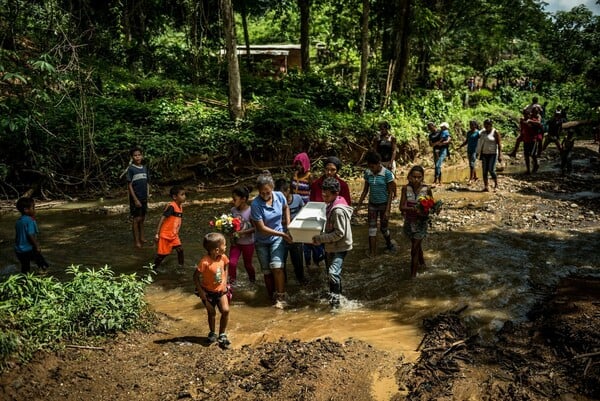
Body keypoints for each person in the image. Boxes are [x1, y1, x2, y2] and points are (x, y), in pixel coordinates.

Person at [251, 172, 293, 308]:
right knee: (267, 271)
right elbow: (261, 228)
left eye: (267, 192)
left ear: (272, 188)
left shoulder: (280, 196)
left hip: (277, 238)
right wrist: (284, 235)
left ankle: (280, 298)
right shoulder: (255, 204)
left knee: (277, 266)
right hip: (262, 240)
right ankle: (270, 296)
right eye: (262, 193)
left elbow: (286, 207)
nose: (264, 195)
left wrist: (288, 225)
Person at [312, 178, 353, 308]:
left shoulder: (338, 211)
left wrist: (320, 238)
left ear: (336, 193)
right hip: (331, 245)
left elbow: (339, 233)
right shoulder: (332, 203)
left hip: (340, 246)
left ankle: (335, 305)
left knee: (333, 273)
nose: (324, 197)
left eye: (327, 195)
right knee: (331, 274)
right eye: (323, 194)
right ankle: (336, 297)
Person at [193, 232, 231, 348]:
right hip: (207, 293)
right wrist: (201, 293)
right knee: (212, 312)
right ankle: (212, 333)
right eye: (224, 245)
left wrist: (225, 281)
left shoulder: (223, 257)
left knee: (225, 311)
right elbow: (195, 277)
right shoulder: (205, 262)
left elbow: (226, 267)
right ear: (216, 250)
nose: (226, 247)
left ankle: (222, 334)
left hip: (221, 291)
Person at [356, 151, 396, 258]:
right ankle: (372, 254)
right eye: (369, 167)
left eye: (373, 166)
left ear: (379, 163)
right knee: (372, 229)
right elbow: (365, 190)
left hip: (384, 205)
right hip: (372, 205)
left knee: (384, 229)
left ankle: (389, 243)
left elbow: (390, 192)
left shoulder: (387, 174)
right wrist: (358, 205)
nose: (371, 169)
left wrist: (388, 210)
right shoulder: (368, 173)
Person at [399, 165, 433, 278]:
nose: (416, 179)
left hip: (421, 222)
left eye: (419, 177)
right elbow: (401, 206)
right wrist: (412, 209)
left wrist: (424, 211)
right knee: (416, 245)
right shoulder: (405, 188)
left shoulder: (427, 189)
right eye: (414, 177)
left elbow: (431, 206)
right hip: (409, 222)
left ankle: (412, 276)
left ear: (422, 178)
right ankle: (422, 263)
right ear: (409, 177)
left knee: (414, 249)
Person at [275, 178, 307, 285]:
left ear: (288, 190)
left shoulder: (297, 199)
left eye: (283, 192)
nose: (281, 196)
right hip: (281, 235)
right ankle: (283, 283)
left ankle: (301, 280)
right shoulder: (276, 203)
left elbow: (304, 212)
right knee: (281, 262)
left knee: (298, 261)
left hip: (296, 235)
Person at [228, 186, 256, 286]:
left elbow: (255, 228)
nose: (233, 201)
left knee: (247, 265)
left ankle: (252, 281)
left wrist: (242, 232)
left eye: (235, 199)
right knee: (231, 263)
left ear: (243, 199)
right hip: (236, 242)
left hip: (248, 243)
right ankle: (232, 284)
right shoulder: (233, 210)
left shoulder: (251, 211)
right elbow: (230, 225)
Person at [153, 186, 186, 269]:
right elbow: (162, 219)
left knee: (180, 250)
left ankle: (181, 267)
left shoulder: (180, 207)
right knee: (162, 255)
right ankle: (153, 269)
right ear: (175, 197)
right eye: (182, 195)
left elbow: (178, 221)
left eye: (184, 194)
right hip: (166, 235)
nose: (184, 196)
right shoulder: (172, 207)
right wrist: (157, 233)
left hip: (173, 235)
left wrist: (177, 231)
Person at [14, 197, 49, 273]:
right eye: (33, 207)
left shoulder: (19, 221)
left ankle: (24, 282)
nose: (35, 210)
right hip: (29, 249)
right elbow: (30, 235)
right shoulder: (29, 220)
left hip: (19, 250)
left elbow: (17, 237)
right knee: (43, 265)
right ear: (26, 210)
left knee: (25, 268)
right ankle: (44, 278)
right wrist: (37, 246)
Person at [126, 147, 150, 249]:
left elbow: (147, 182)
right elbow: (129, 185)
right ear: (132, 157)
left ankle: (142, 237)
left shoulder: (144, 168)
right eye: (135, 155)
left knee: (143, 218)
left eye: (139, 155)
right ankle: (136, 241)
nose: (137, 157)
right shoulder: (131, 169)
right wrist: (135, 199)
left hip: (144, 197)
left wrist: (148, 194)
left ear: (142, 155)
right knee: (136, 219)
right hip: (136, 198)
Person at [476, 119, 502, 192]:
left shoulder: (495, 132)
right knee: (484, 171)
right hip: (484, 154)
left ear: (491, 125)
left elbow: (499, 144)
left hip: (493, 154)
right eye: (485, 124)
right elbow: (479, 141)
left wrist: (500, 155)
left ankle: (496, 184)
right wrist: (478, 152)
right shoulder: (483, 132)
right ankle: (486, 186)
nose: (486, 126)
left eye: (487, 124)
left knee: (491, 170)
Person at [523, 107, 544, 174]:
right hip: (526, 139)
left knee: (533, 154)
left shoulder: (534, 120)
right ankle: (528, 170)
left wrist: (530, 121)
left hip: (533, 139)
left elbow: (539, 124)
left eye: (527, 114)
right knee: (526, 155)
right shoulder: (523, 120)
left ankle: (536, 164)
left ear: (530, 114)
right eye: (525, 114)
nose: (526, 116)